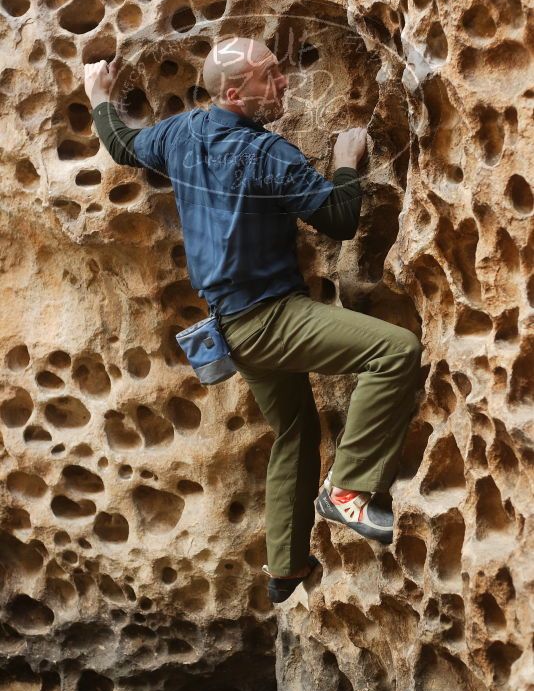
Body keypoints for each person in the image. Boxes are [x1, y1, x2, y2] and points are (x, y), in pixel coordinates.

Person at [85, 36, 422, 604]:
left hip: (232, 329)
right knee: (395, 352)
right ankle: (348, 492)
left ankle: (285, 568)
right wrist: (344, 164)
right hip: (271, 320)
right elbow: (339, 220)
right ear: (236, 94)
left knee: (295, 428)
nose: (284, 82)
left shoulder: (179, 134)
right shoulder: (270, 155)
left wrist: (96, 94)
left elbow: (121, 145)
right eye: (270, 76)